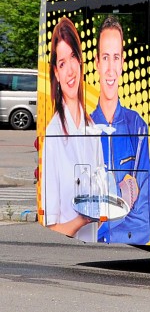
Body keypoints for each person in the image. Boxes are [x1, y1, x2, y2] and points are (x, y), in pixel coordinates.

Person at [91, 16, 150, 245]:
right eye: (105, 57)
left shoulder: (137, 128)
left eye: (115, 58)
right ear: (97, 62)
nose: (110, 68)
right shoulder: (84, 129)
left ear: (123, 63)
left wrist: (102, 224)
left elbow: (143, 220)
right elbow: (75, 213)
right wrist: (123, 196)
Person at [43, 16, 103, 240]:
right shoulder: (54, 132)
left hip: (94, 249)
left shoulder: (92, 128)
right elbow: (51, 226)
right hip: (70, 256)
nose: (69, 71)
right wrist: (82, 219)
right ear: (56, 74)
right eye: (61, 63)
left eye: (72, 58)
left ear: (80, 62)